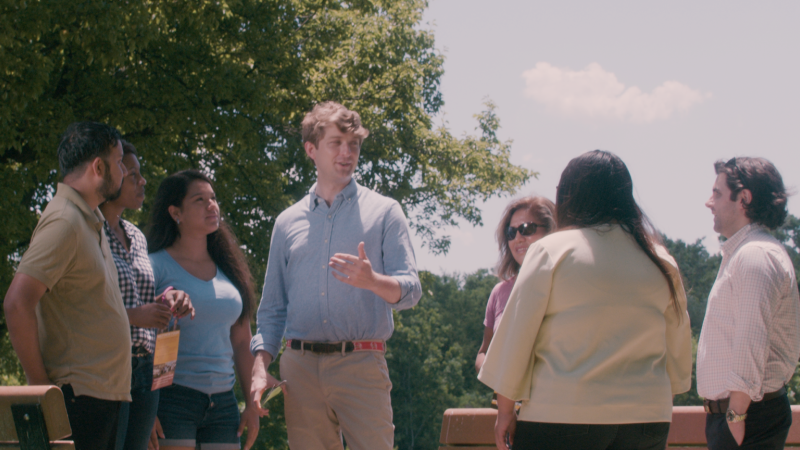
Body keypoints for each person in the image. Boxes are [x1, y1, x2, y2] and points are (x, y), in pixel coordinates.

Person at [478, 150, 693, 450]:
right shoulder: (659, 259)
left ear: (569, 196)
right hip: (647, 418)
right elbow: (678, 347)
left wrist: (504, 411)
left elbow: (517, 338)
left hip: (562, 414)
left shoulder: (551, 251)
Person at [249, 101, 422, 450]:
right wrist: (259, 366)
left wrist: (373, 281)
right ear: (311, 149)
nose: (347, 153)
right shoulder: (286, 222)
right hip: (299, 370)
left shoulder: (385, 212)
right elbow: (272, 309)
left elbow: (411, 290)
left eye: (354, 144)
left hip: (362, 363)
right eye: (336, 143)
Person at [3, 122, 132, 450]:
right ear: (98, 167)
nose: (124, 171)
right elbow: (17, 303)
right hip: (77, 399)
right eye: (119, 162)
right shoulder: (65, 221)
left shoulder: (88, 219)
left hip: (99, 396)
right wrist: (41, 389)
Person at [146, 170, 260, 450]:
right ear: (176, 212)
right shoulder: (153, 265)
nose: (212, 205)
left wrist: (252, 404)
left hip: (224, 403)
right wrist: (146, 409)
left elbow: (242, 341)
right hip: (172, 398)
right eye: (199, 199)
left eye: (213, 198)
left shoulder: (230, 270)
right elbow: (138, 341)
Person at [697, 157, 800, 450]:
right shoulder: (748, 252)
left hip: (746, 417)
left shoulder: (755, 255)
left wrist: (735, 415)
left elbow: (751, 338)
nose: (709, 202)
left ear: (744, 198)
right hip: (745, 416)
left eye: (717, 193)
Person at [98, 140, 194, 450]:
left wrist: (169, 299)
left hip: (146, 372)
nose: (143, 181)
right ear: (109, 177)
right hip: (107, 367)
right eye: (133, 175)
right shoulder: (88, 231)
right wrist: (133, 317)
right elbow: (77, 307)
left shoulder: (137, 237)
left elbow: (143, 300)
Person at [475, 196, 556, 375]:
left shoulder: (563, 285)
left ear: (551, 230)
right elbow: (483, 351)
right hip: (506, 393)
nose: (518, 238)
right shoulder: (499, 292)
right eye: (511, 232)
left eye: (527, 228)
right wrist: (488, 369)